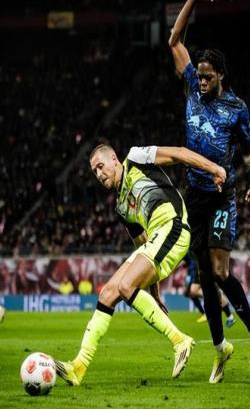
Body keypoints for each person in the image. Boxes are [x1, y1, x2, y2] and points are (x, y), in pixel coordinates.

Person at [54, 143, 226, 386]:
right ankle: (78, 367)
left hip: (174, 226)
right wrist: (154, 293)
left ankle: (180, 340)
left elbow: (178, 154)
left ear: (115, 159)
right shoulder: (121, 207)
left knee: (125, 286)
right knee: (107, 294)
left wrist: (214, 169)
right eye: (94, 171)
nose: (99, 174)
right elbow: (143, 246)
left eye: (101, 166)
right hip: (156, 238)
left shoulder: (136, 158)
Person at [168, 0, 250, 383]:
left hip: (221, 196)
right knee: (205, 279)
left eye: (209, 77)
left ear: (221, 76)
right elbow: (175, 41)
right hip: (194, 197)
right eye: (200, 76)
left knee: (220, 270)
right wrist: (191, 1)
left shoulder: (236, 109)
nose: (203, 82)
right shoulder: (191, 85)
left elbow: (247, 152)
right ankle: (220, 348)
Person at [184, 249, 236, 327]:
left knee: (194, 291)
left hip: (202, 267)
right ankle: (229, 316)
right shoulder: (190, 249)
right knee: (193, 292)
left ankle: (224, 314)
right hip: (200, 267)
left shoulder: (192, 247)